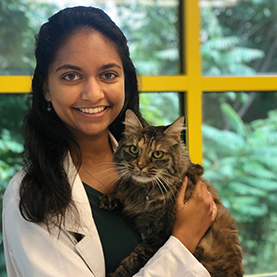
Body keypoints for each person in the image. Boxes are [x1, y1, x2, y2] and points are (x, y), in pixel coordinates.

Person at [2, 6, 217, 277]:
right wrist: (184, 240)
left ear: (125, 82)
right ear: (46, 87)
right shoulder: (28, 195)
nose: (93, 93)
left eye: (108, 75)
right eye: (71, 76)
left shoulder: (161, 169)